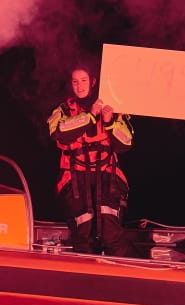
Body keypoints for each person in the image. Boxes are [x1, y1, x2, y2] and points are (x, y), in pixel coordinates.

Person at [48, 66, 134, 256]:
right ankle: (84, 273)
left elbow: (126, 143)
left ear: (93, 82)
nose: (79, 86)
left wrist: (110, 122)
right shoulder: (63, 110)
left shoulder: (113, 108)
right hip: (75, 180)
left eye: (84, 80)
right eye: (75, 81)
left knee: (111, 232)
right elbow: (57, 132)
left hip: (108, 178)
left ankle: (119, 271)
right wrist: (89, 117)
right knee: (83, 232)